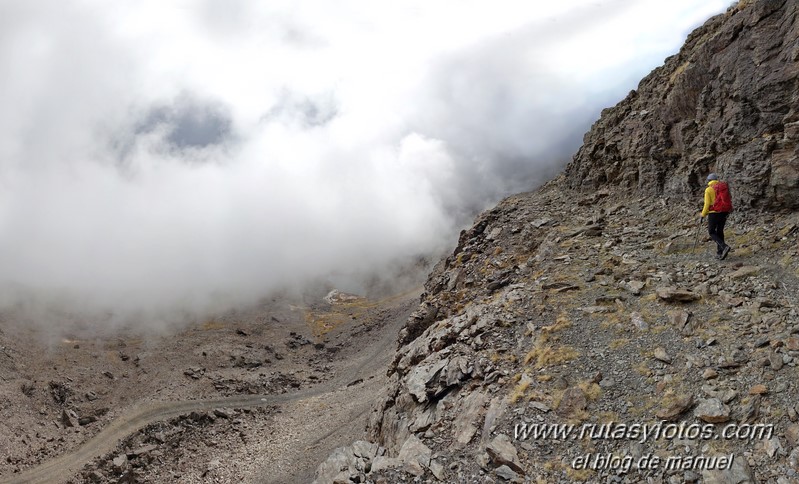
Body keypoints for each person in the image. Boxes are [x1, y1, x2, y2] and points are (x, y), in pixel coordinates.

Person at [700, 173, 733, 260]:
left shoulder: (709, 189)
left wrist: (703, 214)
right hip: (724, 212)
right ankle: (720, 252)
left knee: (711, 231)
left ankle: (724, 246)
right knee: (720, 231)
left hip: (714, 213)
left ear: (708, 180)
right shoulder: (723, 188)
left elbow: (707, 204)